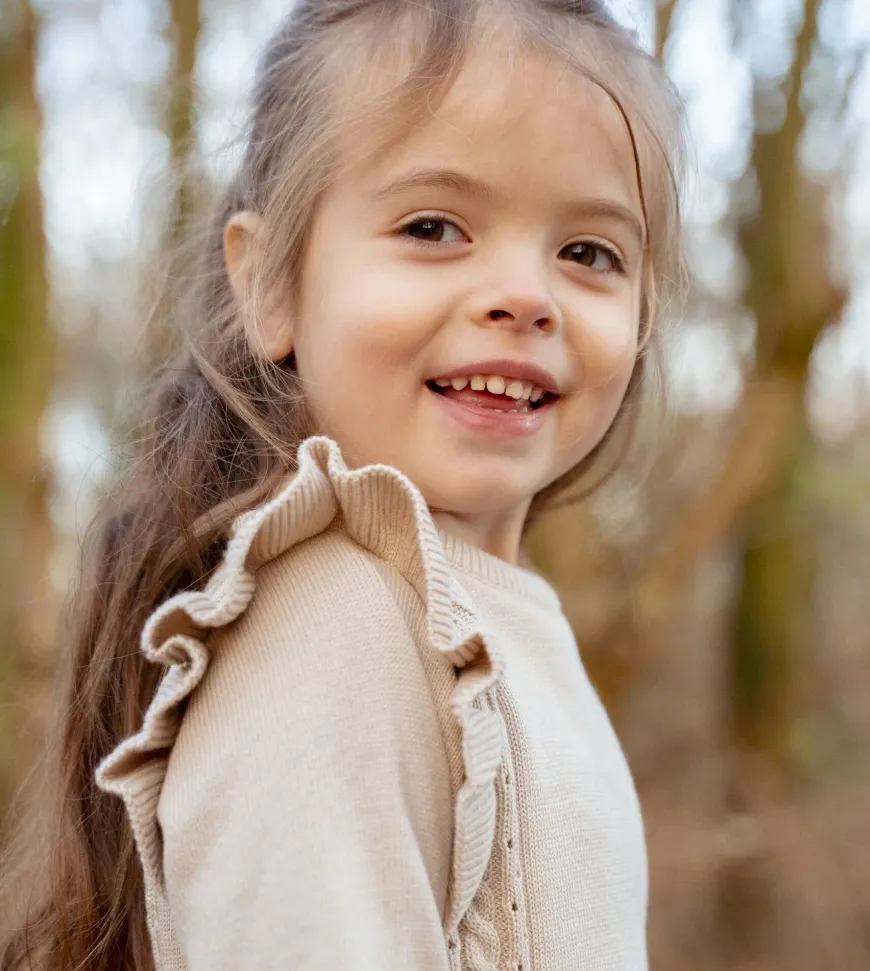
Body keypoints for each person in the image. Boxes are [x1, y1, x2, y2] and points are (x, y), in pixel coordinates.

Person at [0, 0, 685, 968]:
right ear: (271, 284)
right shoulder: (334, 623)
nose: (526, 296)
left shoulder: (493, 619)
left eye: (588, 252)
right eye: (434, 226)